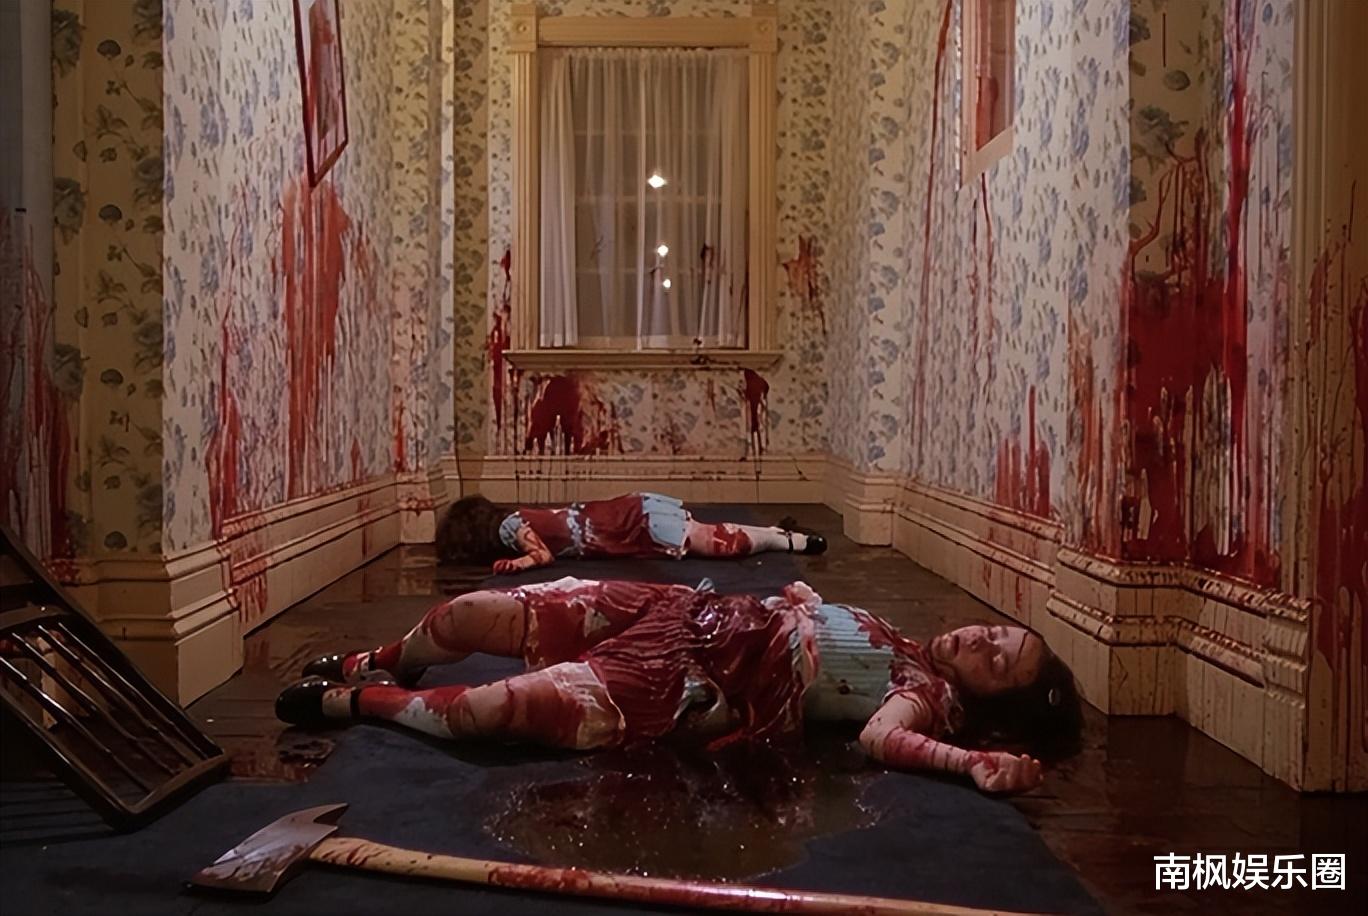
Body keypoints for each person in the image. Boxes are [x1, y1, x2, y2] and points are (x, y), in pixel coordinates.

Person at [280, 577, 1083, 795]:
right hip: (676, 608)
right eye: (998, 633)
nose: (980, 639)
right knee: (467, 614)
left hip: (685, 678)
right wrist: (807, 604)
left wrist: (967, 763)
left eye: (997, 662)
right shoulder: (904, 639)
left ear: (987, 704)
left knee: (493, 710)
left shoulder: (925, 693)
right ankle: (377, 658)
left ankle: (354, 701)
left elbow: (880, 738)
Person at [436, 493, 826, 575]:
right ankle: (780, 535)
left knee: (720, 544)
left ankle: (787, 540)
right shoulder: (513, 520)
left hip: (627, 522)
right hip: (621, 522)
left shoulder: (509, 527)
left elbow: (541, 555)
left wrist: (517, 563)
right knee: (713, 536)